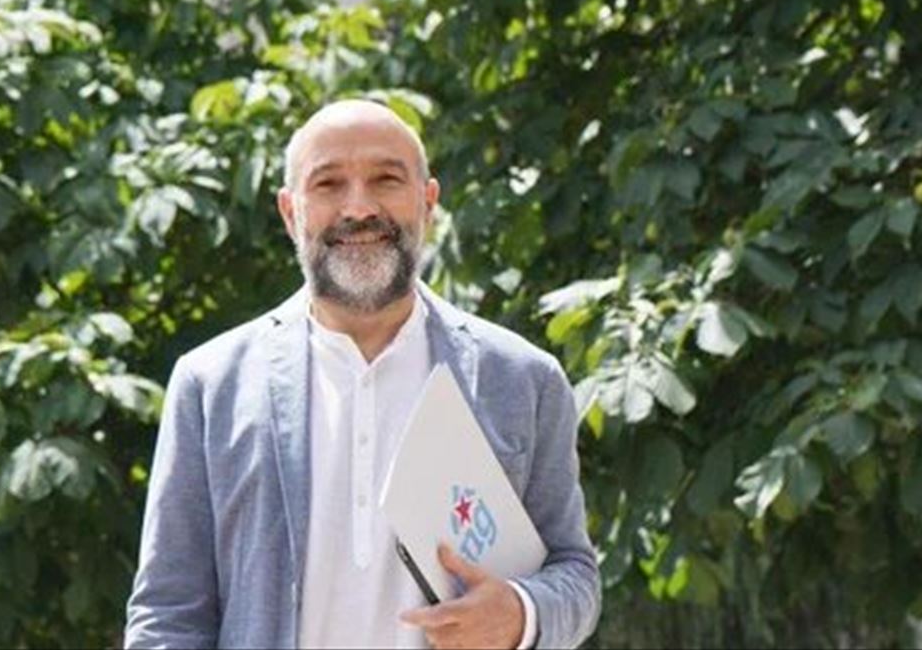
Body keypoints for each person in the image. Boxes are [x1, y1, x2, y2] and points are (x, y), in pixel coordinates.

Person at [125, 100, 600, 649]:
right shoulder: (211, 385)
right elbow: (167, 613)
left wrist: (521, 614)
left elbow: (574, 573)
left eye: (386, 179)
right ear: (290, 211)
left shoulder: (521, 380)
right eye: (328, 184)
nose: (359, 207)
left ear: (428, 202)